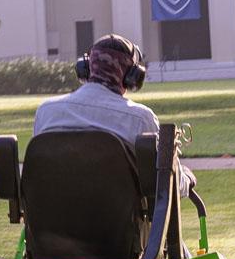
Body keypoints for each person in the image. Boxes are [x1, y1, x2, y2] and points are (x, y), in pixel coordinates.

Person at [34, 33, 196, 197]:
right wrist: (187, 178)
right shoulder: (140, 119)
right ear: (132, 76)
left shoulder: (46, 111)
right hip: (118, 221)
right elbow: (167, 185)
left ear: (85, 68)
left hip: (53, 219)